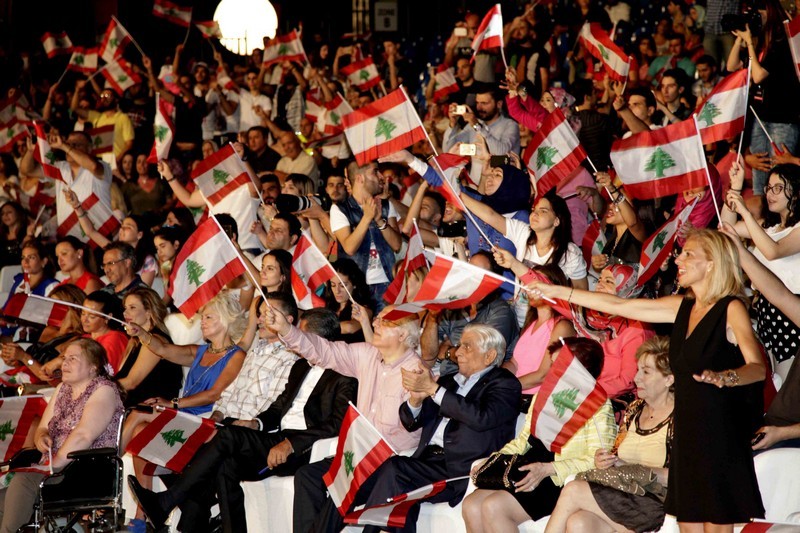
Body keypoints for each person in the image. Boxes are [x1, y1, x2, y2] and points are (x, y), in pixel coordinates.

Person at [529, 228, 766, 529]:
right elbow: (618, 305)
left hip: (719, 434)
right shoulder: (682, 307)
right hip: (687, 435)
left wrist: (725, 377)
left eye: (688, 254)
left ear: (712, 263)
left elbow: (757, 367)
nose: (679, 258)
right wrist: (558, 291)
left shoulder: (731, 308)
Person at [336, 324, 522, 533]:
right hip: (426, 462)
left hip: (461, 468)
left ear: (489, 356)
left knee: (395, 470)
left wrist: (434, 389)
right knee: (367, 477)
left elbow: (481, 417)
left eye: (467, 347)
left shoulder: (505, 384)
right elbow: (411, 422)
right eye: (459, 345)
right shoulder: (449, 382)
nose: (457, 352)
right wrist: (415, 401)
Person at [262, 302, 423, 533]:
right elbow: (325, 350)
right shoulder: (367, 355)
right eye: (376, 318)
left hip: (388, 462)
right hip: (357, 455)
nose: (374, 323)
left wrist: (416, 402)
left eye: (384, 321)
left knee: (340, 490)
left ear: (403, 334)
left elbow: (413, 427)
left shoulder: (417, 372)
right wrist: (288, 331)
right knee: (307, 476)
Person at [462, 337, 616, 531]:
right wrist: (494, 459)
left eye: (558, 366)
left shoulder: (598, 406)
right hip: (528, 468)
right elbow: (522, 441)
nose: (551, 373)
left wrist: (548, 469)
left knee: (493, 506)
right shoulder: (543, 396)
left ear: (580, 370)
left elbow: (598, 462)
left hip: (556, 477)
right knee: (471, 505)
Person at [545, 336, 674, 533]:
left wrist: (635, 471)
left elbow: (682, 477)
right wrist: (609, 461)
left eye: (646, 372)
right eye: (638, 370)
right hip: (625, 493)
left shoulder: (682, 418)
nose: (636, 378)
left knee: (572, 490)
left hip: (655, 501)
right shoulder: (635, 409)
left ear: (669, 378)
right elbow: (620, 459)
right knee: (579, 523)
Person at [0, 338, 123, 533]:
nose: (64, 363)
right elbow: (42, 429)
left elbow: (84, 435)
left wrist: (54, 464)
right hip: (54, 469)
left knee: (23, 480)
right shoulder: (62, 389)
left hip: (85, 470)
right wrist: (41, 438)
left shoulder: (104, 390)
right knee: (3, 499)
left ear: (93, 366)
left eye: (73, 359)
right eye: (64, 358)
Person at [721, 224, 800, 451]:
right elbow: (778, 294)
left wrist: (782, 433)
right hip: (775, 424)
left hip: (788, 439)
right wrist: (740, 251)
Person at [723, 162, 800, 370]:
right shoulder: (769, 228)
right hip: (765, 313)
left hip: (790, 317)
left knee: (788, 386)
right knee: (772, 385)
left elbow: (773, 251)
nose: (770, 193)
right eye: (769, 187)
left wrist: (746, 213)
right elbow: (726, 229)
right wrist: (735, 188)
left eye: (779, 188)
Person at [727, 0, 800, 195]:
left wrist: (750, 42)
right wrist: (739, 39)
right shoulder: (760, 44)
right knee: (761, 172)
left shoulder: (781, 42)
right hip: (760, 116)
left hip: (782, 117)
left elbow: (758, 75)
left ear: (769, 12)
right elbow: (731, 66)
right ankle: (764, 217)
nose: (755, 16)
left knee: (780, 173)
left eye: (759, 11)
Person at [210, 293, 300, 424]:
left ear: (288, 320)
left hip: (248, 428)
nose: (259, 320)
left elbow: (271, 404)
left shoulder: (290, 358)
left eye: (267, 314)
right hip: (226, 422)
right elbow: (230, 391)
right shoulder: (255, 351)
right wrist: (217, 414)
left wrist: (242, 424)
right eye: (259, 314)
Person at [329, 161, 402, 307]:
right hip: (356, 287)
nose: (381, 176)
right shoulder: (340, 209)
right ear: (360, 178)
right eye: (375, 172)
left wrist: (379, 220)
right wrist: (367, 217)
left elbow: (397, 245)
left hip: (386, 283)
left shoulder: (386, 205)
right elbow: (349, 247)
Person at [508, 265, 576, 399]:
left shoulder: (562, 326)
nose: (529, 289)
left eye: (537, 284)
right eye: (528, 283)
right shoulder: (531, 323)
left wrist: (504, 387)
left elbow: (544, 375)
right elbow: (515, 364)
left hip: (535, 400)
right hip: (516, 393)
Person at [115, 288, 183, 409]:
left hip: (149, 408)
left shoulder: (156, 341)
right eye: (125, 308)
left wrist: (95, 386)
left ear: (149, 312)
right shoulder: (134, 341)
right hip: (129, 405)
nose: (125, 313)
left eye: (132, 307)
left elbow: (131, 382)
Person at [443, 88, 521, 155]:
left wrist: (477, 126)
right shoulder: (472, 125)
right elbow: (448, 150)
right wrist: (453, 123)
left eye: (484, 103)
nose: (479, 107)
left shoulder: (510, 125)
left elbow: (501, 153)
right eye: (477, 103)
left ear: (499, 104)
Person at [323, 258, 374, 343]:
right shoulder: (329, 305)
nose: (337, 291)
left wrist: (321, 327)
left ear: (354, 284)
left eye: (343, 286)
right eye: (333, 285)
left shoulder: (363, 307)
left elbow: (350, 327)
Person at [78, 291, 128, 373]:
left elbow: (104, 373)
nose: (84, 320)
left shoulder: (114, 339)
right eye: (83, 313)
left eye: (92, 316)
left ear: (107, 317)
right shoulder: (85, 338)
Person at [0, 201, 27, 269]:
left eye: (9, 212)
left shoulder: (27, 234)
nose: (5, 216)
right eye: (2, 214)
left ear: (18, 213)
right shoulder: (1, 237)